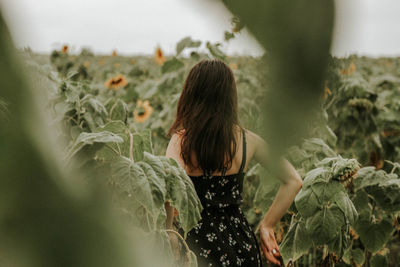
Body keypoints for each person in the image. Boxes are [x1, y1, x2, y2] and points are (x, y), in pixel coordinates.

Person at [165, 59, 303, 266]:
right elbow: (294, 180)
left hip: (196, 245)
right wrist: (267, 225)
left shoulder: (181, 141)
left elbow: (169, 182)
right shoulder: (248, 141)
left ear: (191, 95)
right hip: (240, 243)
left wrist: (170, 231)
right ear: (230, 98)